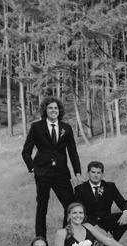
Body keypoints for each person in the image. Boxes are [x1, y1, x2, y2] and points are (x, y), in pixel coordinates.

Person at [21, 97, 82, 238]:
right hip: (43, 173)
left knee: (70, 206)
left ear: (59, 110)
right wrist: (33, 168)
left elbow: (73, 152)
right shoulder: (36, 127)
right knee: (42, 207)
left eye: (56, 108)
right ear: (45, 110)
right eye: (50, 108)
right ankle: (40, 241)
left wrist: (78, 173)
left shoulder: (66, 128)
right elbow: (26, 152)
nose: (53, 110)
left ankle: (66, 238)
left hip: (61, 173)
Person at [74, 161, 127, 241]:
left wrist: (126, 213)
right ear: (88, 173)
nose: (96, 175)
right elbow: (79, 212)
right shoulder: (80, 189)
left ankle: (111, 241)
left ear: (102, 174)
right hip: (89, 223)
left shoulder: (110, 186)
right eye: (93, 172)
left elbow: (123, 203)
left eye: (98, 173)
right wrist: (94, 226)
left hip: (106, 221)